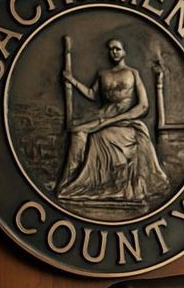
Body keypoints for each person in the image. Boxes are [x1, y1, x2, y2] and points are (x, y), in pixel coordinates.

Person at [57, 39, 169, 205]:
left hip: (125, 120)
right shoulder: (103, 74)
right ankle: (70, 180)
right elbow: (92, 94)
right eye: (111, 50)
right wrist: (72, 81)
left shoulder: (133, 73)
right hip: (101, 117)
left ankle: (110, 185)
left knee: (101, 135)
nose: (114, 52)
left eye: (117, 49)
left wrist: (115, 119)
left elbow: (143, 105)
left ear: (124, 51)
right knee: (77, 132)